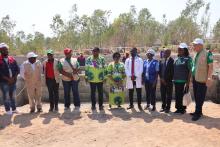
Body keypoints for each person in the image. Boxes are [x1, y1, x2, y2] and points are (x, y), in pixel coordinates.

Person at [191, 38, 213, 121]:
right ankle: (198, 111)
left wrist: (209, 77)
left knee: (200, 97)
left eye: (195, 45)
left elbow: (210, 66)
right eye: (193, 45)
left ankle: (197, 113)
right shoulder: (196, 54)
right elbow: (194, 66)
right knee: (196, 96)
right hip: (195, 78)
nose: (193, 46)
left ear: (200, 45)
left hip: (202, 79)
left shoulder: (207, 53)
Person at [0, 43, 19, 115]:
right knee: (6, 96)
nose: (6, 51)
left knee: (13, 96)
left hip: (13, 81)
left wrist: (14, 78)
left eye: (7, 49)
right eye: (4, 50)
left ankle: (14, 109)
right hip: (4, 82)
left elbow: (17, 69)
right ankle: (8, 110)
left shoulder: (12, 59)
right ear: (1, 51)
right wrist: (8, 79)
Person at [173, 43, 192, 114]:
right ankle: (178, 108)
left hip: (183, 81)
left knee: (183, 95)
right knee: (177, 95)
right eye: (178, 49)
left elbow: (190, 70)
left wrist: (188, 82)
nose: (179, 50)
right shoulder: (177, 58)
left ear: (184, 50)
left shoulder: (188, 59)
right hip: (176, 80)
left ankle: (183, 109)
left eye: (180, 49)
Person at [159, 48, 174, 113]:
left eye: (165, 53)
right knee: (163, 94)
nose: (163, 54)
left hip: (169, 82)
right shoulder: (161, 60)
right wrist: (161, 78)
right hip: (162, 81)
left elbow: (172, 72)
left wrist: (166, 80)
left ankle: (168, 108)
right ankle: (163, 107)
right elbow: (159, 70)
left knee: (168, 95)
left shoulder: (172, 61)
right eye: (163, 53)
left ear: (169, 53)